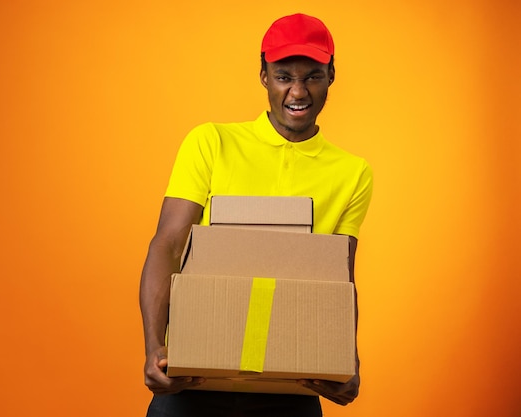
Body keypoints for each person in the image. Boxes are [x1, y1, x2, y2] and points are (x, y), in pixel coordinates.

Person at [139, 13, 373, 417]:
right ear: (263, 76)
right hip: (194, 377)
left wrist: (346, 362)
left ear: (332, 75)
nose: (297, 91)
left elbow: (341, 277)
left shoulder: (352, 173)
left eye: (313, 76)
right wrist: (154, 346)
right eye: (284, 76)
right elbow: (168, 243)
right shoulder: (211, 142)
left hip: (291, 385)